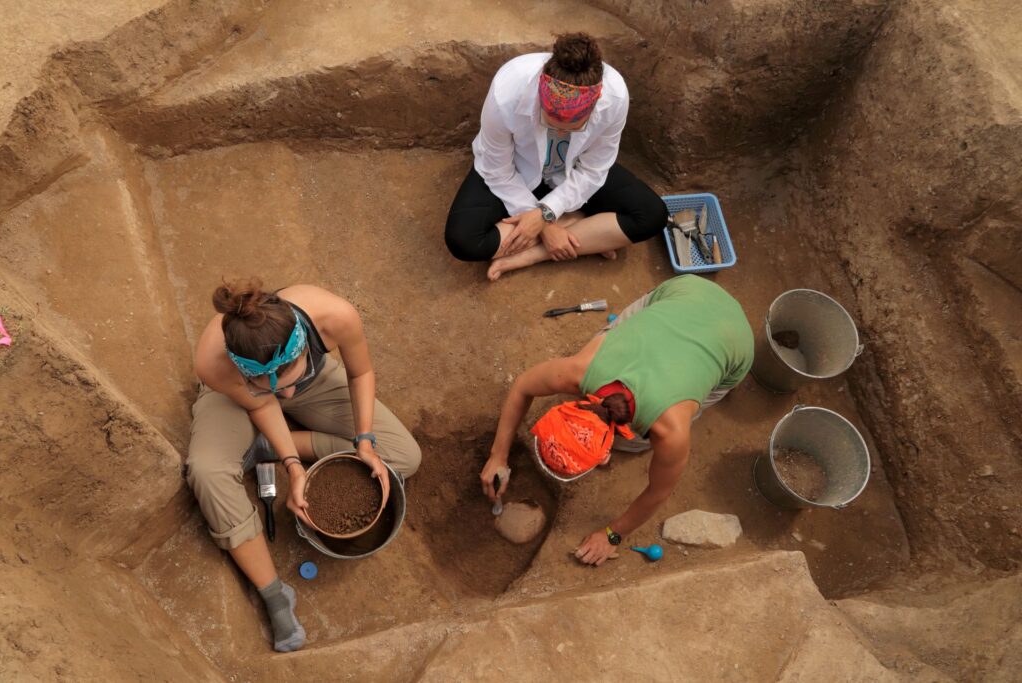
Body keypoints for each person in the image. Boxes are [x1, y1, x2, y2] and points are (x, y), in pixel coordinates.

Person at [186, 279, 421, 652]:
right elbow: (263, 404)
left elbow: (360, 373)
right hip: (242, 400)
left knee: (403, 457)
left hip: (314, 387)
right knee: (207, 471)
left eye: (290, 379)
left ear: (302, 345)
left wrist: (364, 440)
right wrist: (294, 468)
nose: (287, 395)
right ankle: (275, 594)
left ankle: (263, 446)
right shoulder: (213, 363)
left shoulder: (334, 316)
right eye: (275, 385)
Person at [480, 275, 753, 565]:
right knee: (607, 345)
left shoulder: (670, 431)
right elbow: (523, 385)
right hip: (688, 291)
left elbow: (659, 491)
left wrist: (612, 536)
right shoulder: (579, 369)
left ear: (604, 455)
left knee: (635, 445)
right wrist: (498, 455)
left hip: (734, 342)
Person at [444, 32, 668, 280]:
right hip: (516, 172)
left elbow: (593, 169)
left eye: (574, 125)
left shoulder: (614, 97)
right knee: (463, 240)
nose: (561, 130)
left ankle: (534, 254)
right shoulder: (506, 92)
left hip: (571, 172)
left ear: (594, 106)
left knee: (652, 214)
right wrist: (547, 224)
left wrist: (543, 218)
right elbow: (497, 170)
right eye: (551, 121)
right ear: (541, 95)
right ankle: (581, 226)